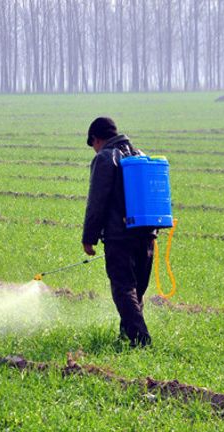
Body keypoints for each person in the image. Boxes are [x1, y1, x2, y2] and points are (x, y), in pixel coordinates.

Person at [82, 117, 157, 347]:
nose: (94, 149)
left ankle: (141, 340)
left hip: (119, 236)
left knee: (123, 288)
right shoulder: (139, 154)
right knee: (136, 290)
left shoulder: (105, 157)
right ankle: (127, 335)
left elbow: (97, 200)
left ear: (96, 139)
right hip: (146, 234)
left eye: (93, 144)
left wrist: (89, 238)